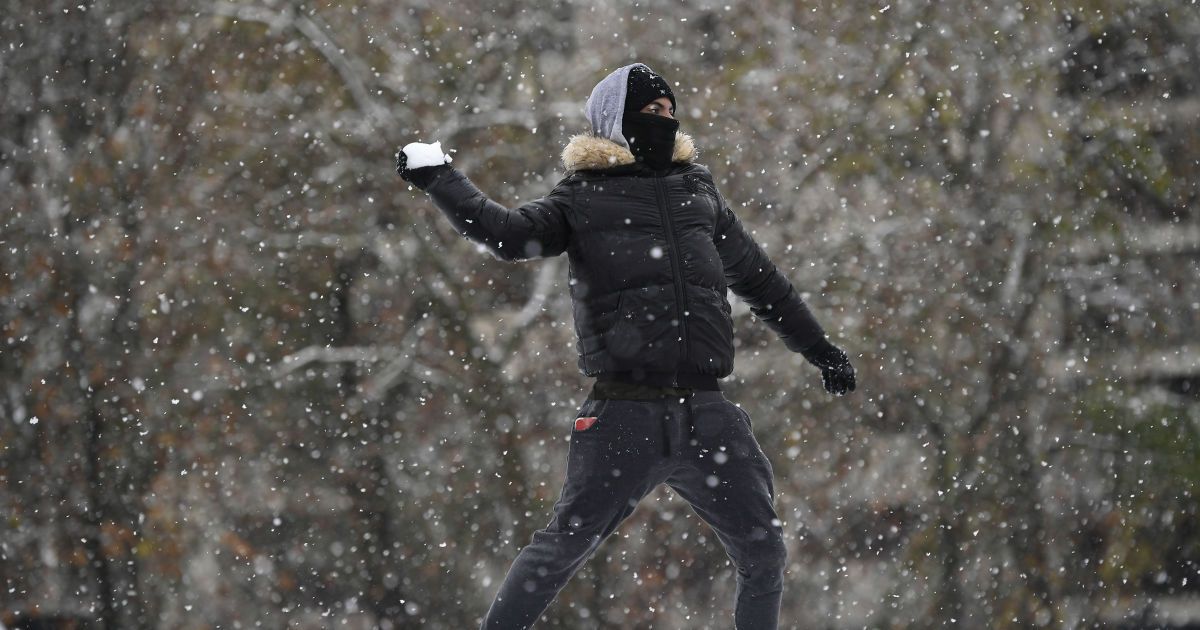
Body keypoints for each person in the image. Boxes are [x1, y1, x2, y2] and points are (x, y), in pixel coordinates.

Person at [396, 62, 856, 630]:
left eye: (669, 111)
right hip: (623, 416)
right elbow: (511, 236)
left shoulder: (698, 196)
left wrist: (821, 350)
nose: (664, 120)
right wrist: (441, 177)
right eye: (650, 112)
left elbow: (761, 282)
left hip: (707, 414)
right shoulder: (581, 199)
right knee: (562, 547)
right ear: (615, 123)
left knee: (764, 553)